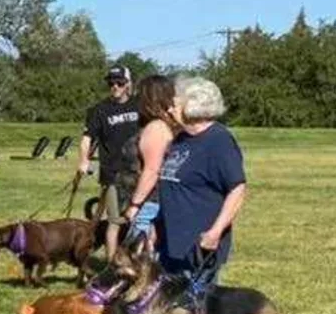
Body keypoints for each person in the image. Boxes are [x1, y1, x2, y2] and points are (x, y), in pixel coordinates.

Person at [151, 77, 246, 280]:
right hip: (170, 243)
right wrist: (158, 226)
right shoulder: (181, 139)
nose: (169, 109)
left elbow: (237, 189)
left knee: (193, 309)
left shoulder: (219, 141)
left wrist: (215, 232)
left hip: (199, 246)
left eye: (175, 104)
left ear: (193, 105)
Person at [78, 65, 143, 263]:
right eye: (111, 83)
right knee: (115, 221)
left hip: (140, 172)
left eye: (120, 82)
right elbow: (87, 138)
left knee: (139, 220)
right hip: (113, 174)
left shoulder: (140, 106)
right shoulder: (99, 110)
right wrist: (83, 160)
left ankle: (139, 262)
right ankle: (111, 266)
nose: (115, 86)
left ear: (128, 84)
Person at [121, 75, 180, 241]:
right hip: (155, 202)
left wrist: (135, 204)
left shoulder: (156, 128)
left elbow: (152, 170)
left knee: (140, 258)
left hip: (149, 204)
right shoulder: (167, 125)